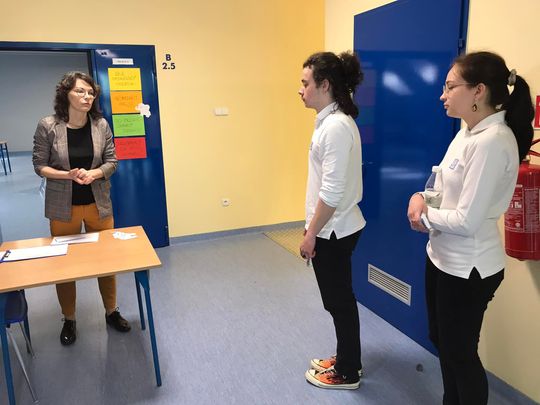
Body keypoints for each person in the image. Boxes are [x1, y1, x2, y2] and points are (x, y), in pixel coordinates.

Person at [407, 52, 534, 405]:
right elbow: (441, 187)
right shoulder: (467, 134)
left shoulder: (492, 141)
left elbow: (466, 220)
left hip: (470, 268)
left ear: (478, 91)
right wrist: (420, 196)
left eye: (450, 87)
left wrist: (424, 216)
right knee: (442, 341)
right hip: (442, 257)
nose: (442, 95)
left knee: (460, 353)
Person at [32, 71, 131, 346]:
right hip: (63, 208)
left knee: (106, 261)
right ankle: (69, 318)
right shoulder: (48, 126)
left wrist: (95, 173)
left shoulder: (101, 125)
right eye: (80, 91)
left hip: (99, 204)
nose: (87, 97)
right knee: (64, 264)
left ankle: (111, 311)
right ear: (66, 94)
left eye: (90, 92)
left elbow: (112, 161)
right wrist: (67, 175)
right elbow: (39, 165)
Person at [298, 51, 366, 390]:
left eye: (305, 83)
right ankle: (345, 358)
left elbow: (332, 191)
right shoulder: (329, 122)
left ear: (324, 85)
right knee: (338, 301)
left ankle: (348, 371)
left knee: (339, 302)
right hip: (331, 227)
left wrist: (311, 233)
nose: (301, 90)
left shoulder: (336, 127)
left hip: (334, 231)